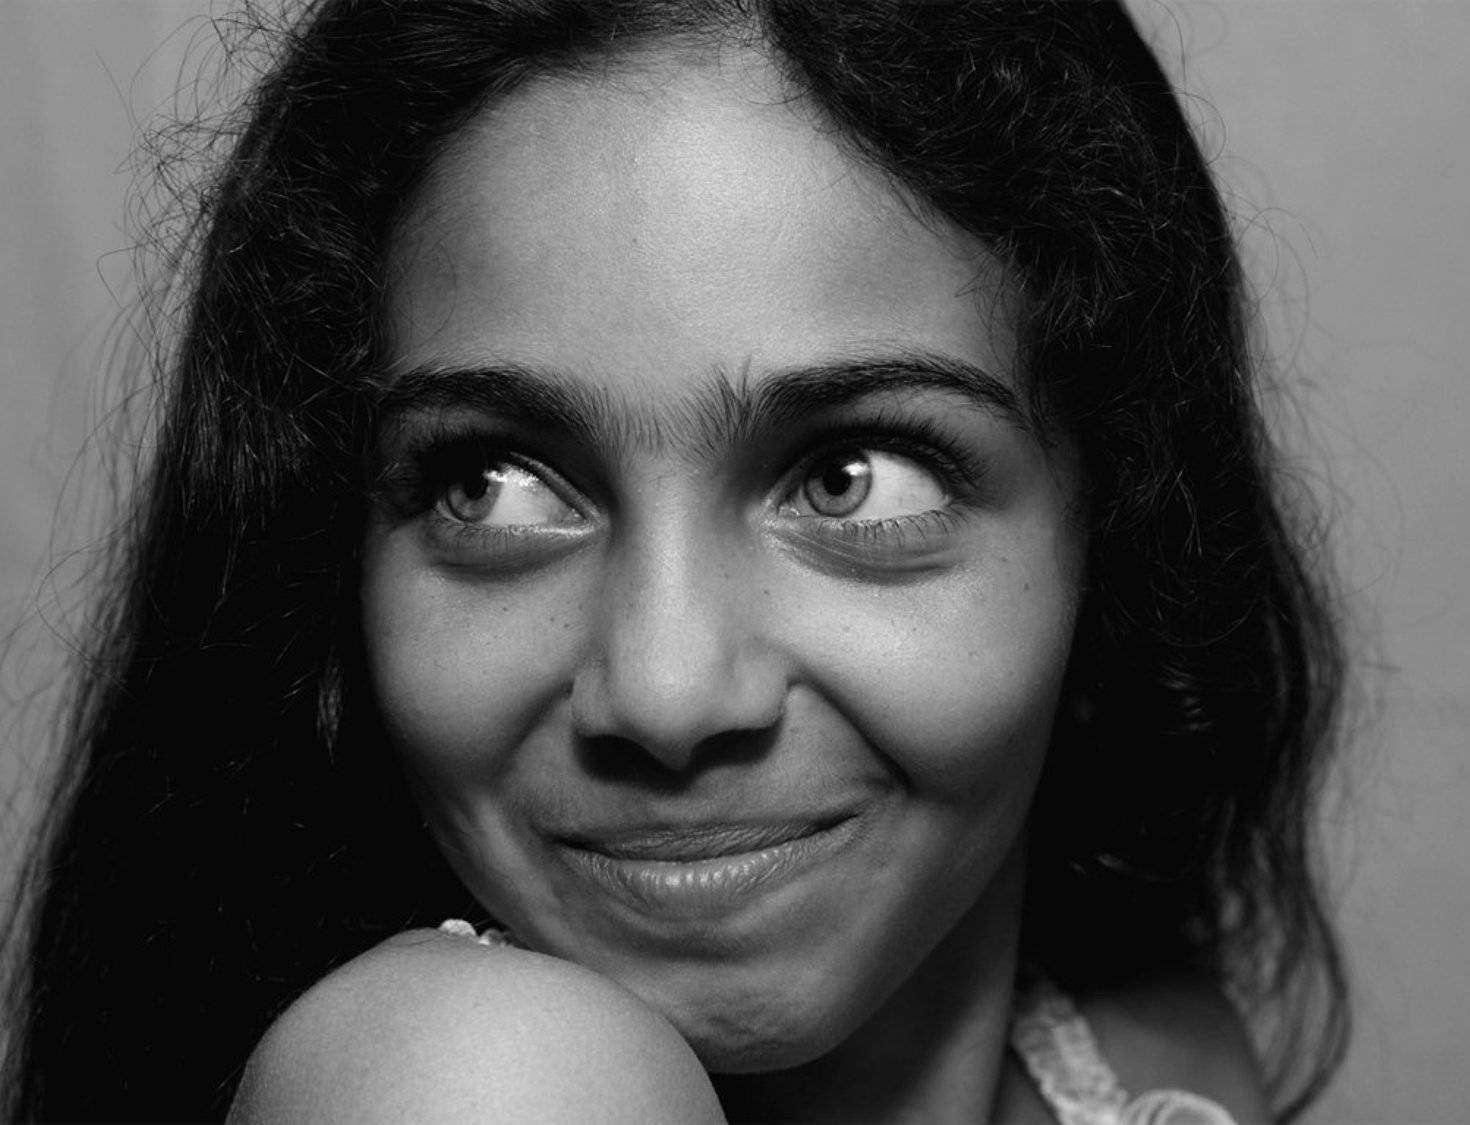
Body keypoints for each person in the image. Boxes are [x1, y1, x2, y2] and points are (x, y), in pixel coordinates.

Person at [0, 1, 1350, 1121]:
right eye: (493, 483)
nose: (666, 690)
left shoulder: (1136, 1055)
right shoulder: (470, 1082)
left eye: (851, 477)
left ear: (1116, 522)